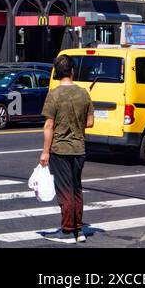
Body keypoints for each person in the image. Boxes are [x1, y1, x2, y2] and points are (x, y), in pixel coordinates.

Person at [40, 53, 95, 242]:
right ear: (72, 71)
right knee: (76, 189)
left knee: (65, 190)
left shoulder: (53, 95)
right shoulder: (84, 93)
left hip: (60, 149)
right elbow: (90, 122)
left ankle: (67, 230)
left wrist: (45, 151)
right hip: (79, 149)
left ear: (57, 72)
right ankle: (78, 229)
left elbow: (48, 126)